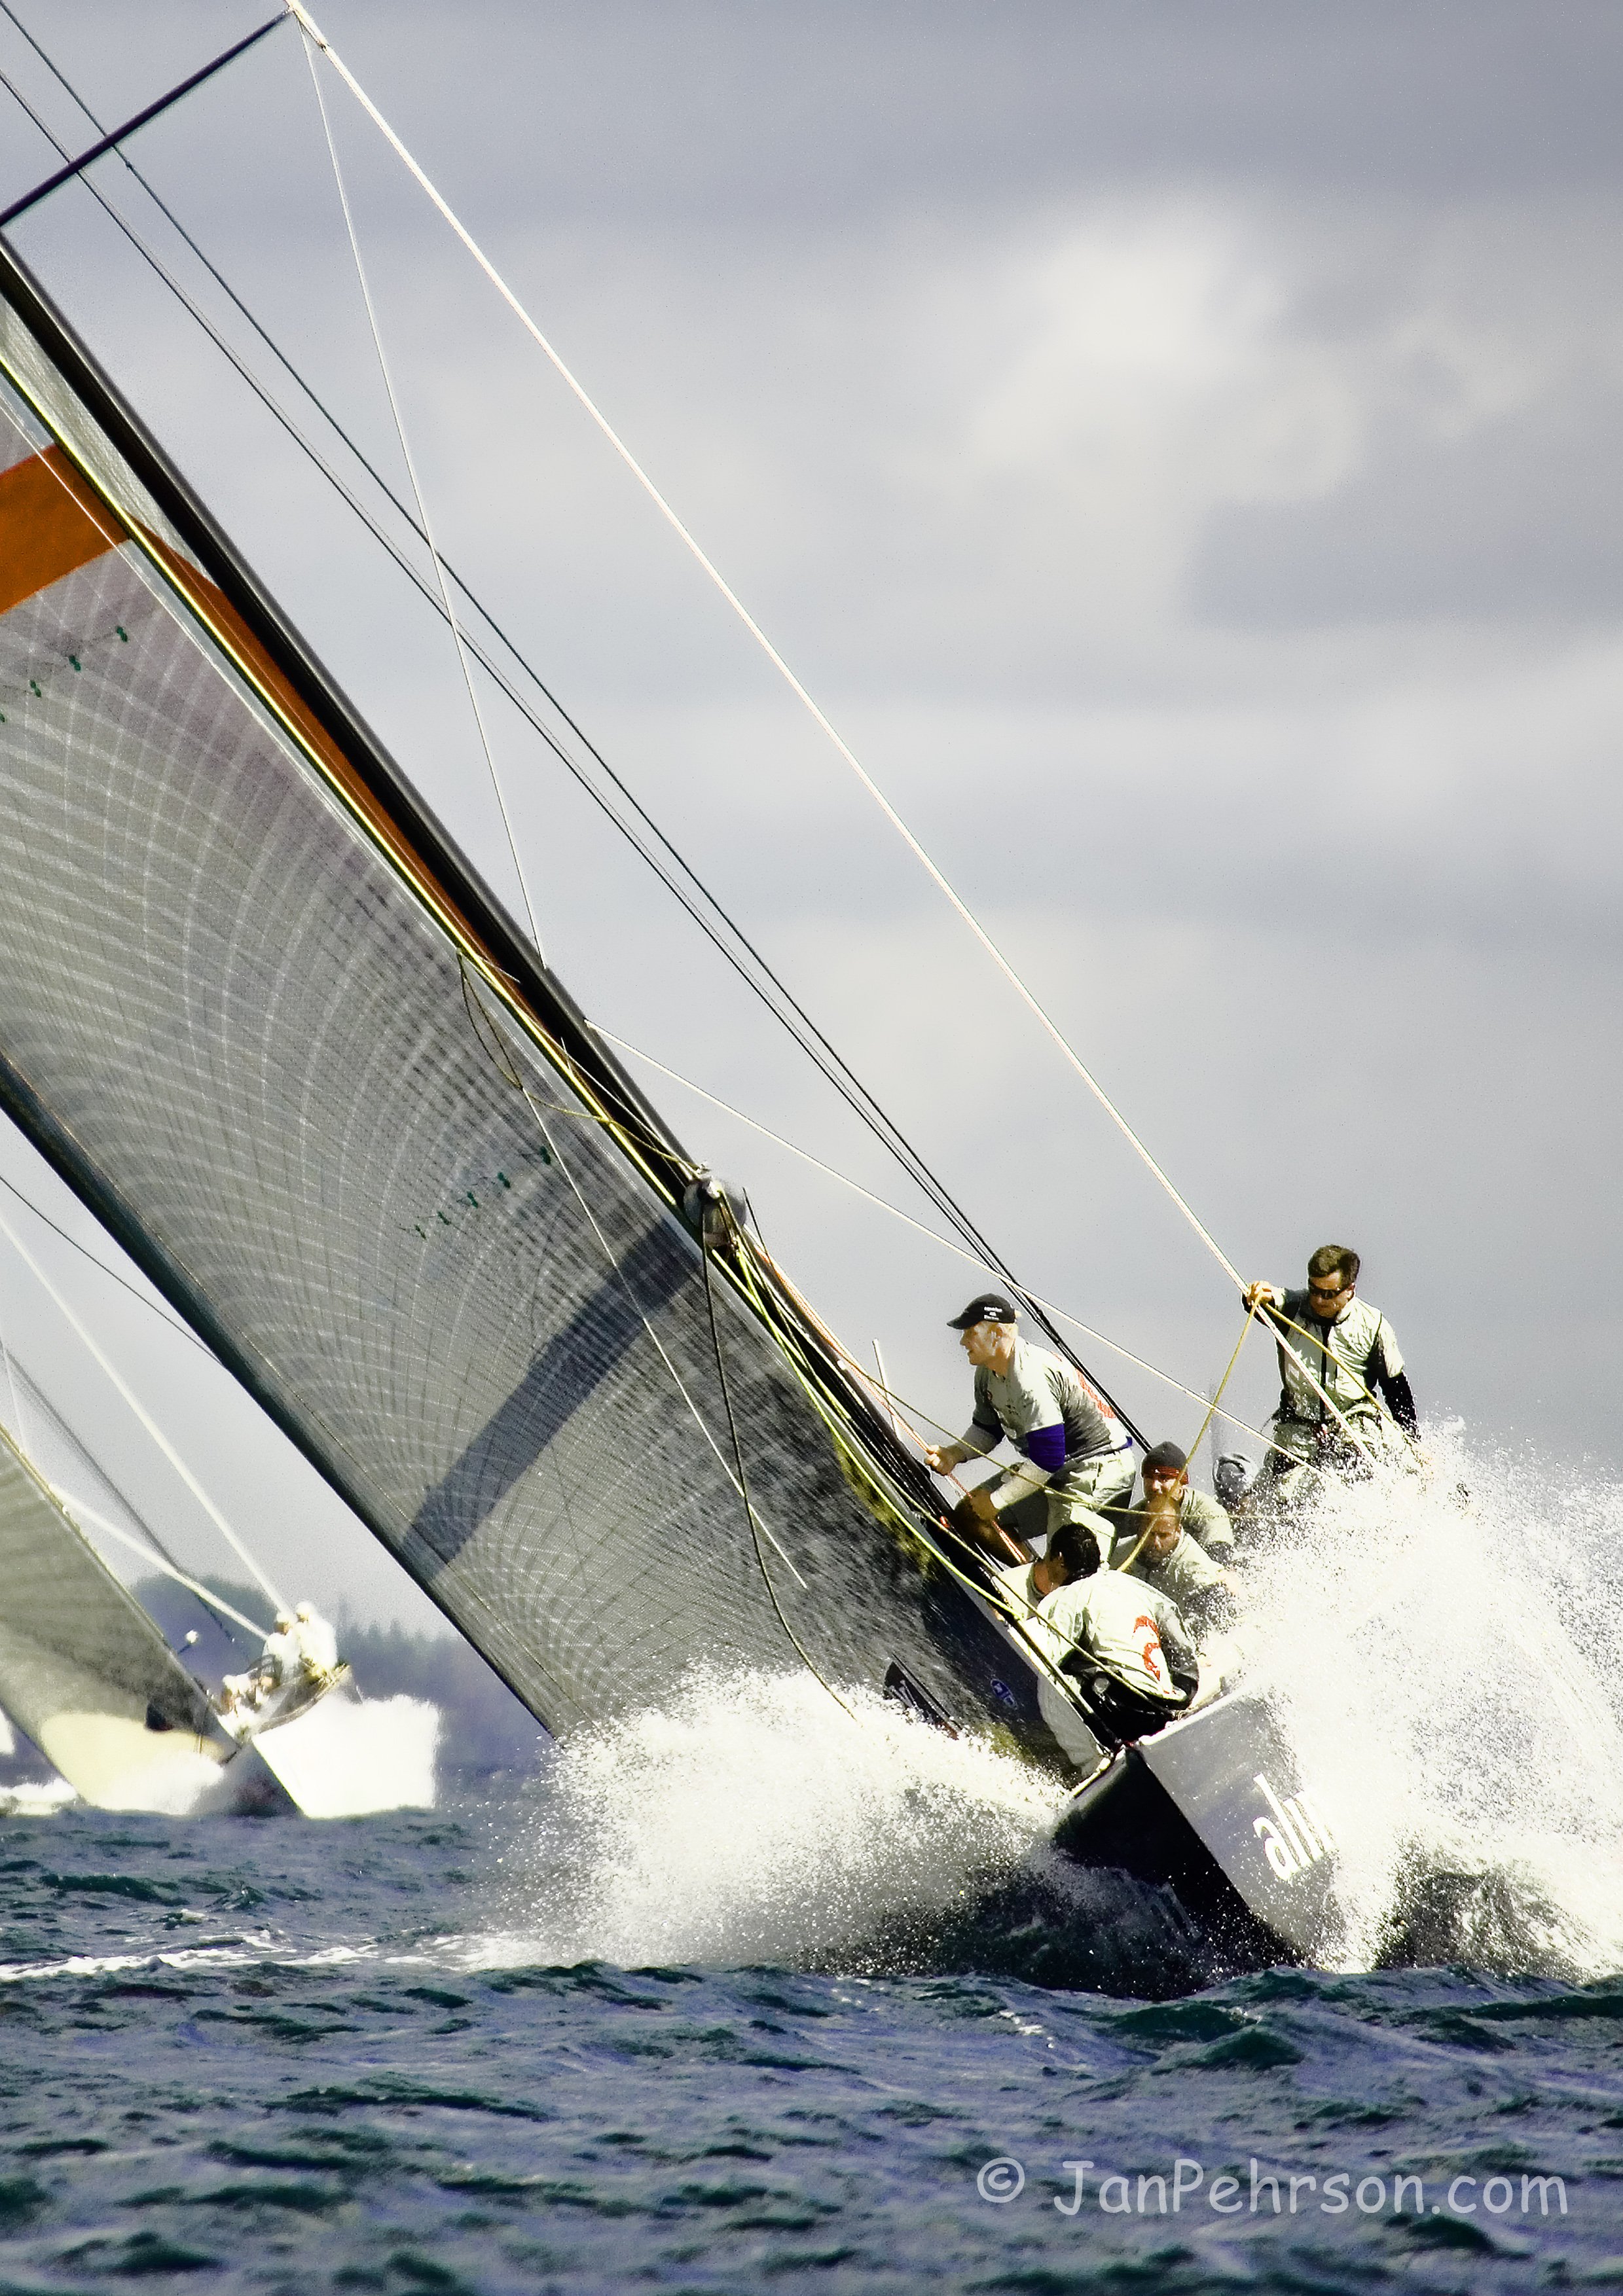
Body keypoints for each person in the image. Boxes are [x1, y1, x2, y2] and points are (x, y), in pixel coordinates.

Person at [923, 1294, 1135, 1566]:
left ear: (998, 1334)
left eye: (971, 1333)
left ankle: (1047, 1588)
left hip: (1097, 1467)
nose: (963, 1342)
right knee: (970, 1516)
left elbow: (1048, 1459)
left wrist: (997, 1501)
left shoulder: (1030, 1379)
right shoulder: (988, 1372)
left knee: (1068, 1564)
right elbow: (987, 1429)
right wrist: (954, 1454)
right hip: (1054, 1468)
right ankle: (1033, 1581)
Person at [1243, 1245, 1418, 1498]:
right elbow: (1262, 1304)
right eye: (1314, 1290)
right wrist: (1256, 1293)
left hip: (1353, 1424)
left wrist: (1413, 1441)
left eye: (1329, 1294)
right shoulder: (1292, 1307)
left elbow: (1396, 1389)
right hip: (1298, 1427)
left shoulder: (1373, 1324)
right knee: (1281, 1496)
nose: (1318, 1300)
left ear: (1350, 1291)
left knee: (1351, 1477)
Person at [1041, 1524, 1199, 1749]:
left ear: (1060, 1559)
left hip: (1123, 1710)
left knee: (1050, 1681)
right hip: (1167, 1706)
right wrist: (1184, 1687)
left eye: (1048, 1556)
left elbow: (1041, 1658)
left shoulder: (1064, 1598)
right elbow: (1175, 1629)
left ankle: (1092, 1764)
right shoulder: (1131, 1584)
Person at [1101, 1439, 1234, 1562]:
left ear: (1183, 1482)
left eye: (1164, 1478)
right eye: (1149, 1477)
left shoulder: (1209, 1513)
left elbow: (1221, 1561)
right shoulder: (1140, 1515)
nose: (1154, 1486)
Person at [291, 1600, 339, 1681]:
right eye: (299, 1617)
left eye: (301, 1616)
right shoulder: (299, 1628)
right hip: (310, 1663)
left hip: (321, 1660)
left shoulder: (318, 1626)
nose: (300, 1619)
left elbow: (323, 1645)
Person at [259, 1609, 297, 1696]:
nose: (284, 1628)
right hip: (283, 1682)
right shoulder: (272, 1640)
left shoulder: (297, 1634)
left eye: (286, 1624)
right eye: (281, 1625)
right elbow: (267, 1664)